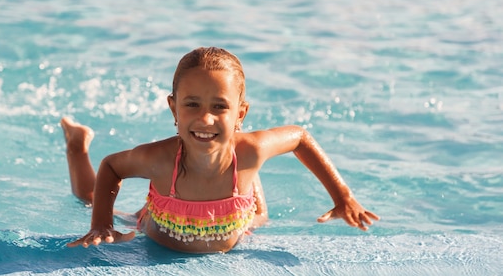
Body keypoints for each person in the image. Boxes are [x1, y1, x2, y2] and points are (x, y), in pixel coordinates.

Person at [62, 47, 379, 254]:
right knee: (87, 196)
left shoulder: (252, 148)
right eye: (192, 105)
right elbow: (112, 167)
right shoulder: (160, 160)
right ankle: (77, 145)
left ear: (240, 113)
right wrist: (102, 225)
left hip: (234, 206)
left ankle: (243, 178)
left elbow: (299, 137)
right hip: (157, 223)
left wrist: (342, 196)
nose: (205, 118)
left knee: (259, 217)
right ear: (174, 109)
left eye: (219, 107)